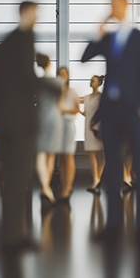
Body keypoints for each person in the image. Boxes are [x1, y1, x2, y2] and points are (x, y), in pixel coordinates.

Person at [81, 0, 140, 238]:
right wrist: (99, 29)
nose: (114, 8)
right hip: (111, 112)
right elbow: (85, 56)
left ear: (127, 6)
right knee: (112, 166)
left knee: (138, 164)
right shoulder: (109, 38)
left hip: (132, 110)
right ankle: (112, 226)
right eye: (111, 5)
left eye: (118, 5)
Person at [0, 1, 40, 251]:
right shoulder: (24, 40)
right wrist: (55, 87)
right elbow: (27, 77)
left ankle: (13, 233)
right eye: (36, 13)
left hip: (7, 122)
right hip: (21, 122)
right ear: (26, 13)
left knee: (13, 179)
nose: (38, 18)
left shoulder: (2, 47)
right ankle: (13, 236)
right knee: (19, 179)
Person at [35, 54, 64, 206]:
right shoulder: (58, 82)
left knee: (41, 153)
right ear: (49, 63)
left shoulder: (37, 82)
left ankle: (45, 188)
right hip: (55, 118)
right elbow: (60, 103)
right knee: (51, 155)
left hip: (40, 117)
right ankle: (46, 189)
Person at [57, 66, 79, 202]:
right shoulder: (55, 91)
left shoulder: (72, 92)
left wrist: (64, 111)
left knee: (68, 156)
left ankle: (67, 187)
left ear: (68, 76)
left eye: (64, 74)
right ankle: (64, 185)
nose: (62, 76)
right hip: (57, 127)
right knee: (61, 158)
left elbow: (77, 109)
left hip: (68, 125)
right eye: (60, 74)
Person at [83, 75, 105, 193]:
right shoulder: (86, 98)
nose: (91, 82)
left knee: (101, 153)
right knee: (91, 153)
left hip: (99, 127)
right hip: (88, 127)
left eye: (93, 80)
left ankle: (97, 179)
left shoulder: (102, 97)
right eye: (90, 80)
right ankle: (96, 179)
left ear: (99, 83)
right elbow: (86, 113)